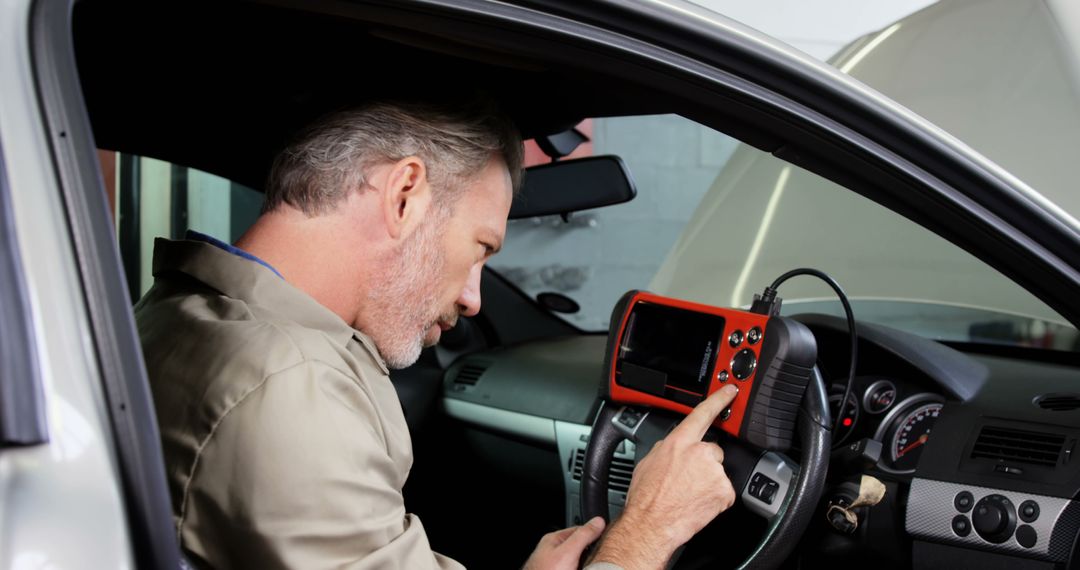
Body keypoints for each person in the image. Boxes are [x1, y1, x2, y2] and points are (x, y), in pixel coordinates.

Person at [135, 99, 738, 570]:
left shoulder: (178, 310)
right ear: (404, 196)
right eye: (480, 248)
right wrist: (646, 532)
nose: (475, 296)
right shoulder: (293, 386)